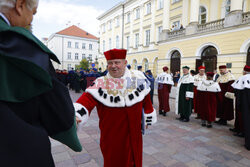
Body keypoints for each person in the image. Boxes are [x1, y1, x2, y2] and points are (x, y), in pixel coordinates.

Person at [0, 1, 82, 166]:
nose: (31, 20)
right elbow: (58, 111)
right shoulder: (22, 47)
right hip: (20, 152)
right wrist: (72, 121)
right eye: (34, 12)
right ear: (20, 5)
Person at [74, 49, 157, 167]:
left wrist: (148, 115)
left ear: (124, 63)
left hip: (135, 134)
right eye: (110, 63)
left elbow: (145, 99)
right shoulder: (100, 83)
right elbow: (85, 100)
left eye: (117, 62)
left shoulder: (135, 79)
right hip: (112, 138)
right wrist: (76, 115)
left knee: (135, 161)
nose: (113, 66)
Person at [231, 65, 250, 150]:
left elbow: (237, 92)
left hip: (245, 103)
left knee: (247, 121)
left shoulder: (243, 78)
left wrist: (238, 105)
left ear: (244, 71)